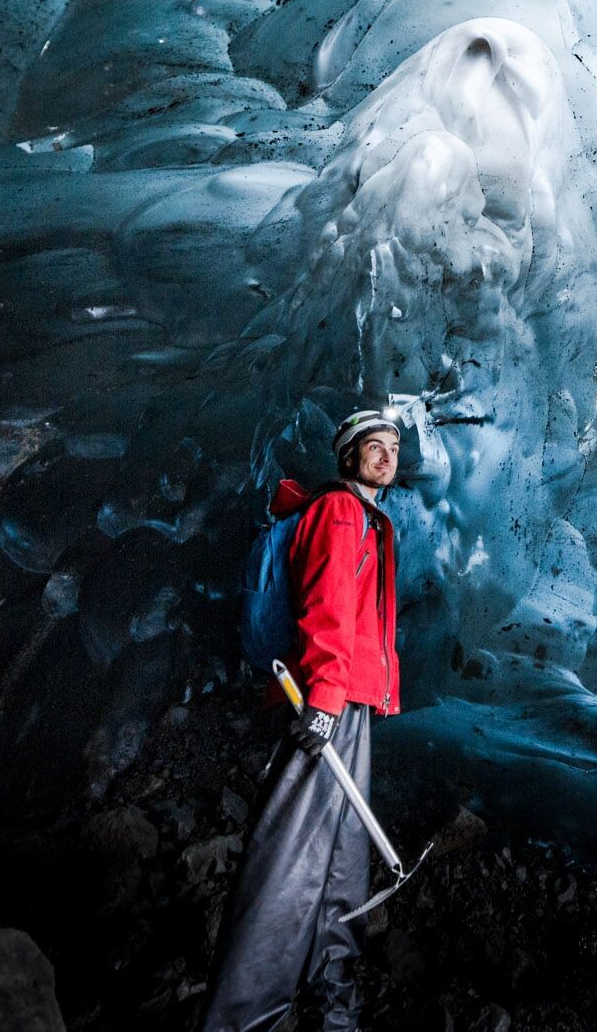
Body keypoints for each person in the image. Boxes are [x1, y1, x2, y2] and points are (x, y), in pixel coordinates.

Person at [201, 409, 404, 1032]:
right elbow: (327, 606)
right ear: (347, 457)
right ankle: (242, 1017)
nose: (387, 456)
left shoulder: (368, 517)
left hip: (350, 699)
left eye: (393, 447)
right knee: (290, 857)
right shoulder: (340, 512)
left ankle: (332, 998)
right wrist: (323, 698)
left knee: (340, 857)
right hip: (327, 699)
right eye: (374, 446)